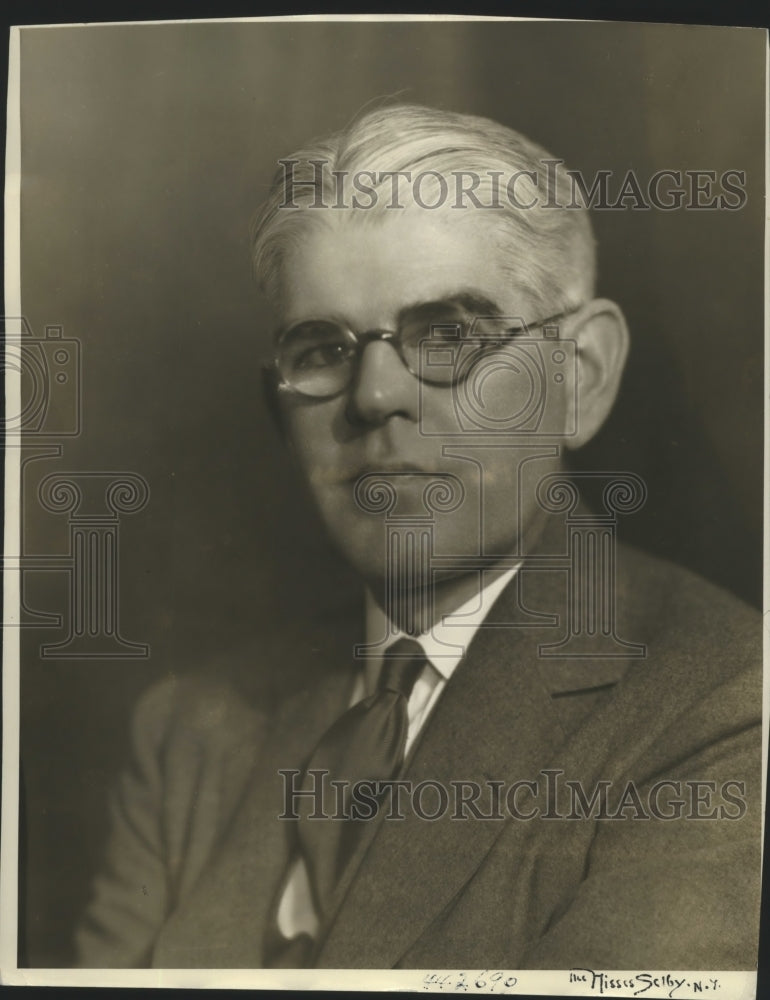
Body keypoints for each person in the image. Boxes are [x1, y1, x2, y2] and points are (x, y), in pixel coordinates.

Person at [75, 104, 762, 970]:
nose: (373, 397)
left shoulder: (728, 708)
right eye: (322, 348)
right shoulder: (192, 730)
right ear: (279, 409)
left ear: (578, 377)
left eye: (447, 335)